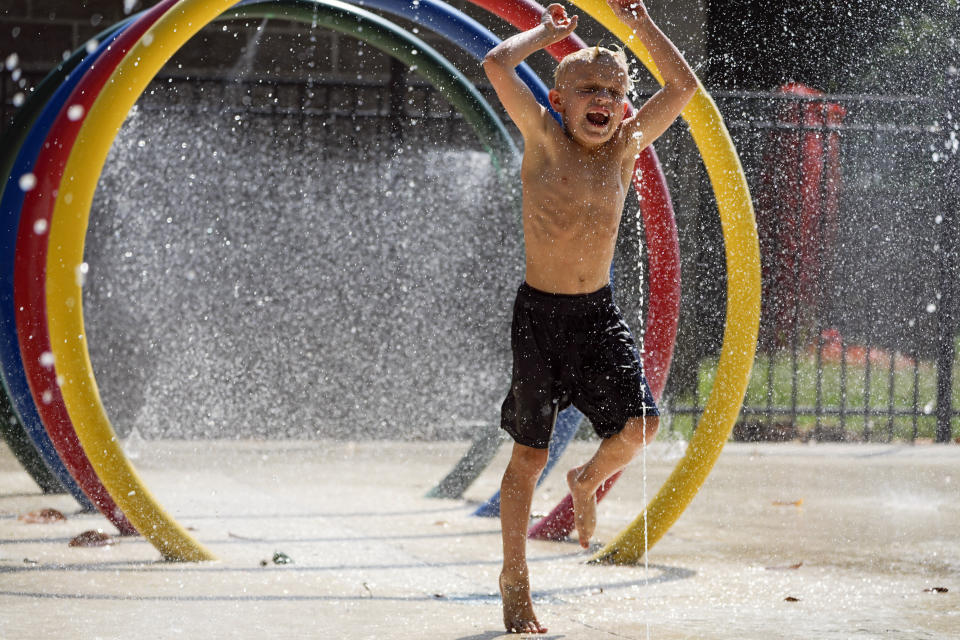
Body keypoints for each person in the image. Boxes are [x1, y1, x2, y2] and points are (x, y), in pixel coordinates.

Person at [482, 0, 698, 633]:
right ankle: (515, 578)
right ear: (559, 98)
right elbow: (497, 64)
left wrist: (643, 26)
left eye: (614, 91)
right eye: (589, 90)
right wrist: (546, 33)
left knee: (640, 429)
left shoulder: (627, 147)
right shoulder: (543, 138)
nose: (603, 99)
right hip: (541, 318)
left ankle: (584, 482)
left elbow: (682, 87)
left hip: (597, 314)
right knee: (527, 456)